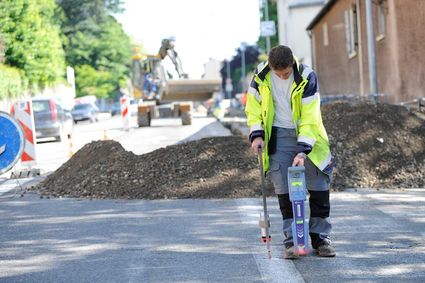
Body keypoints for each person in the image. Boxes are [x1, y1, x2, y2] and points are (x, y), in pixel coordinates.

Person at [245, 45, 335, 259]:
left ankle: (320, 238)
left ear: (291, 64)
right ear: (271, 66)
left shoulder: (306, 76)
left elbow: (310, 116)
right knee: (284, 190)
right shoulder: (261, 75)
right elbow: (253, 107)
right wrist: (257, 134)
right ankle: (291, 240)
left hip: (309, 135)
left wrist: (303, 150)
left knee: (318, 187)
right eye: (279, 73)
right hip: (278, 136)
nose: (282, 76)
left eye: (286, 73)